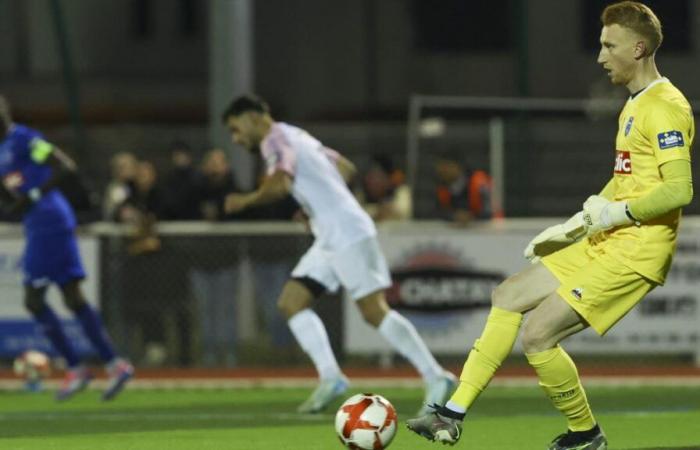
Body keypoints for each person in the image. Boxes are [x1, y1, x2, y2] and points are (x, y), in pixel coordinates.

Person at [406, 3, 694, 449]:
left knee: (537, 335)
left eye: (608, 46)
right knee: (507, 294)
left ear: (637, 48)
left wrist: (615, 214)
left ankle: (586, 434)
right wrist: (578, 223)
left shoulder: (664, 108)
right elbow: (629, 180)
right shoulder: (636, 104)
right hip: (609, 238)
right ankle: (450, 415)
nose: (600, 56)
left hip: (636, 251)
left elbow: (679, 190)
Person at [221, 94, 456, 414]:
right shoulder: (296, 134)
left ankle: (437, 376)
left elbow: (279, 184)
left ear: (252, 117)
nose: (236, 139)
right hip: (330, 234)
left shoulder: (274, 140)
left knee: (374, 311)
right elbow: (346, 168)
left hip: (346, 231)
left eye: (236, 129)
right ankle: (331, 378)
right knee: (292, 302)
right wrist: (314, 205)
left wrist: (244, 201)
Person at [0, 95, 134, 401]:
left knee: (34, 300)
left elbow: (64, 167)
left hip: (50, 218)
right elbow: (8, 198)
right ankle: (114, 364)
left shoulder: (25, 139)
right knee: (72, 298)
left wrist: (32, 196)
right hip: (38, 223)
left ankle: (77, 368)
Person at [434, 157, 495, 225]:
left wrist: (471, 217)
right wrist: (454, 216)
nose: (442, 170)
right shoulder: (441, 187)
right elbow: (437, 212)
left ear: (457, 166)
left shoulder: (479, 181)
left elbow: (491, 211)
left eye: (446, 166)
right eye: (440, 166)